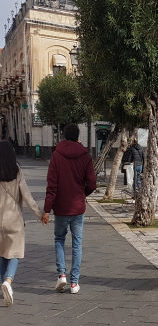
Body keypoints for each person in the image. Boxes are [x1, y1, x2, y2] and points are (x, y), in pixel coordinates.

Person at [43, 124, 96, 295]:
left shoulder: (56, 155)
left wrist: (46, 209)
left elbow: (51, 185)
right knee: (77, 244)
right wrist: (82, 193)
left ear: (64, 136)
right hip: (78, 207)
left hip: (60, 208)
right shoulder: (85, 156)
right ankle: (74, 283)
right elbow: (92, 183)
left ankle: (62, 274)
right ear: (77, 136)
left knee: (59, 239)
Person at [0, 141, 47, 306]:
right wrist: (40, 214)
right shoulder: (17, 171)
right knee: (15, 253)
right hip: (14, 220)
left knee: (1, 253)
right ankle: (8, 281)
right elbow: (27, 196)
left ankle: (3, 286)